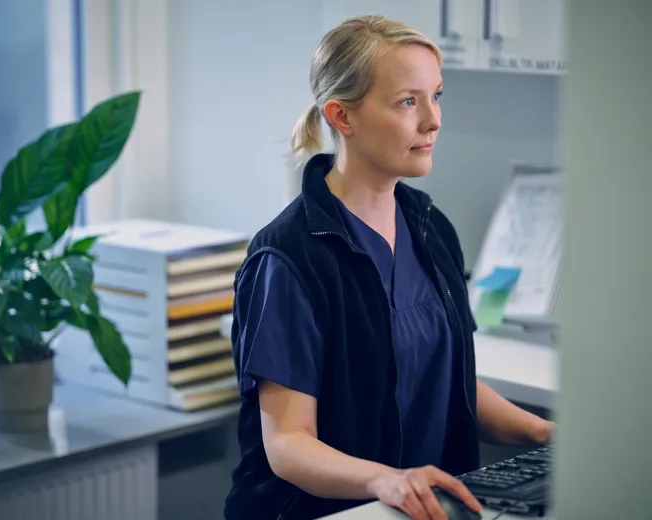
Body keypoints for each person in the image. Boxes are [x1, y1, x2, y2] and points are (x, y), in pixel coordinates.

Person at [224, 15, 554, 520]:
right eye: (407, 101)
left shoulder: (429, 226)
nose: (432, 120)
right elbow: (288, 444)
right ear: (342, 116)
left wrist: (546, 434)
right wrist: (390, 482)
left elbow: (452, 380)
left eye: (436, 96)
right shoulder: (288, 259)